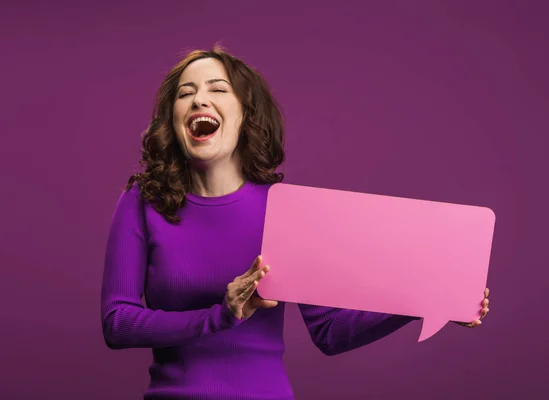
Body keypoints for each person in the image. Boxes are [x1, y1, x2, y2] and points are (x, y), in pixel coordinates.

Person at [100, 45, 490, 400]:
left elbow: (330, 333)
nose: (199, 98)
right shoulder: (142, 203)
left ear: (245, 114)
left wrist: (428, 298)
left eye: (217, 89)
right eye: (185, 94)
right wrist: (221, 314)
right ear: (174, 119)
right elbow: (117, 322)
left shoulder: (285, 208)